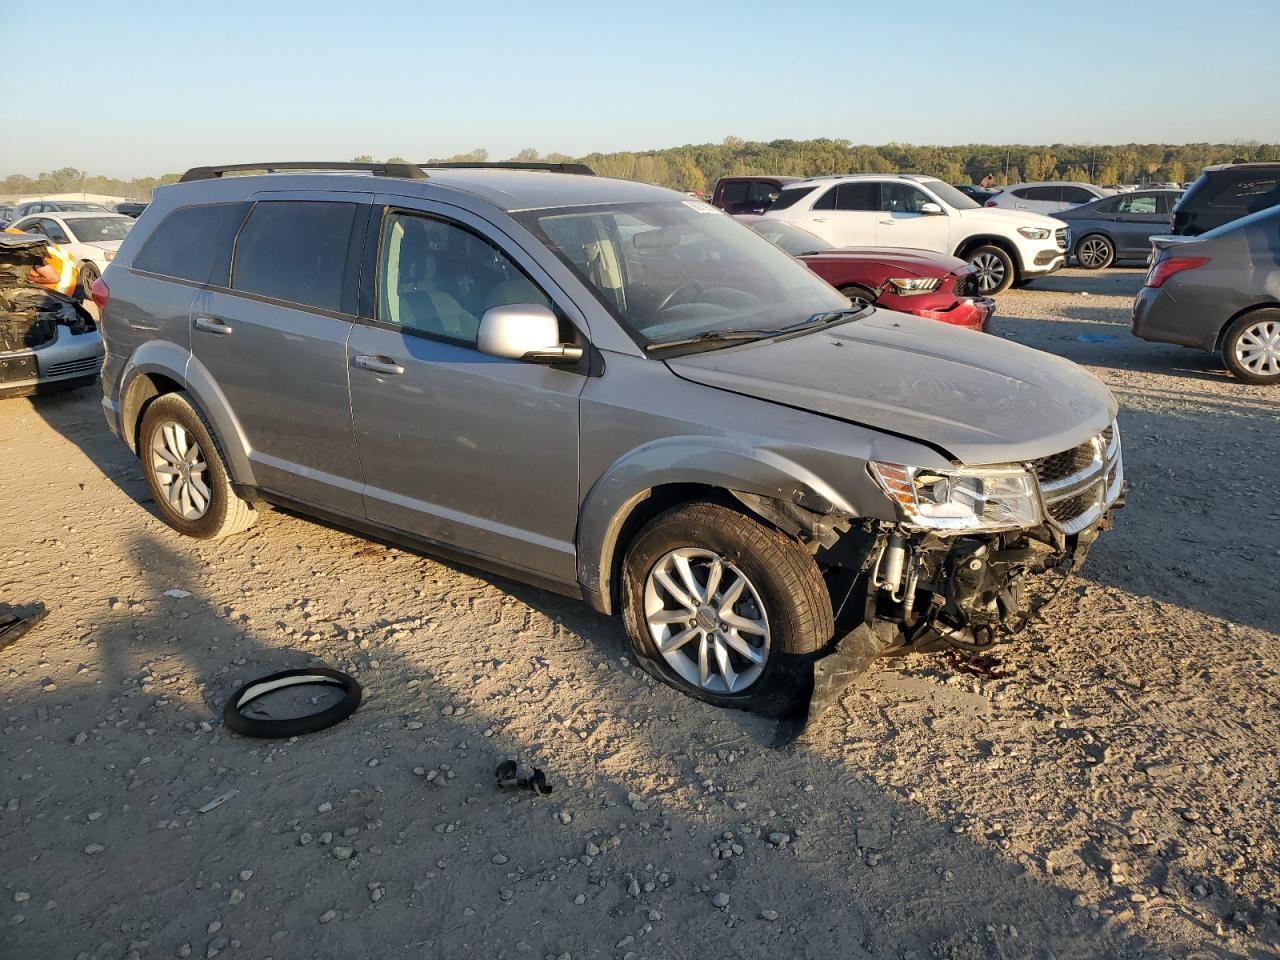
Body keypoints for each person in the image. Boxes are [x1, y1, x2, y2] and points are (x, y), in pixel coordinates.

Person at [2, 225, 79, 296]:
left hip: (67, 287)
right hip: (73, 276)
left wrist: (32, 278)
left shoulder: (32, 252)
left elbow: (54, 278)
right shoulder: (32, 242)